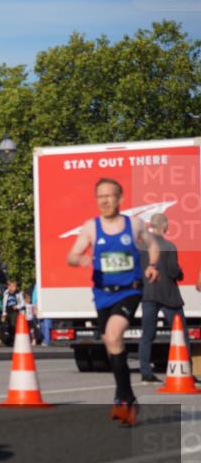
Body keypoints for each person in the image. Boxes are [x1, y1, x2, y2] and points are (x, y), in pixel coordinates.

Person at [66, 177, 159, 426]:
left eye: (110, 195)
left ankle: (125, 398)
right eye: (100, 196)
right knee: (110, 342)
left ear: (120, 198)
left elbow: (153, 245)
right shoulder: (91, 227)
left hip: (129, 290)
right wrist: (80, 259)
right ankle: (125, 395)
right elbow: (72, 255)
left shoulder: (134, 224)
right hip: (102, 293)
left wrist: (151, 265)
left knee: (114, 334)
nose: (105, 200)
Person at [137, 214, 185, 384]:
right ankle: (186, 371)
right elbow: (173, 271)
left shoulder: (141, 246)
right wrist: (181, 274)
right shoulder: (168, 246)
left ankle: (146, 373)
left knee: (147, 335)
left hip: (148, 295)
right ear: (165, 225)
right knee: (180, 333)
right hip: (169, 295)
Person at [1, 279, 25, 346]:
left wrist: (17, 307)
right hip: (7, 311)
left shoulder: (18, 293)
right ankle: (8, 340)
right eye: (10, 286)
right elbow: (4, 303)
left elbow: (22, 303)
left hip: (14, 312)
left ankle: (13, 340)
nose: (12, 288)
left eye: (14, 286)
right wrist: (3, 312)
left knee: (13, 325)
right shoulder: (6, 293)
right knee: (7, 326)